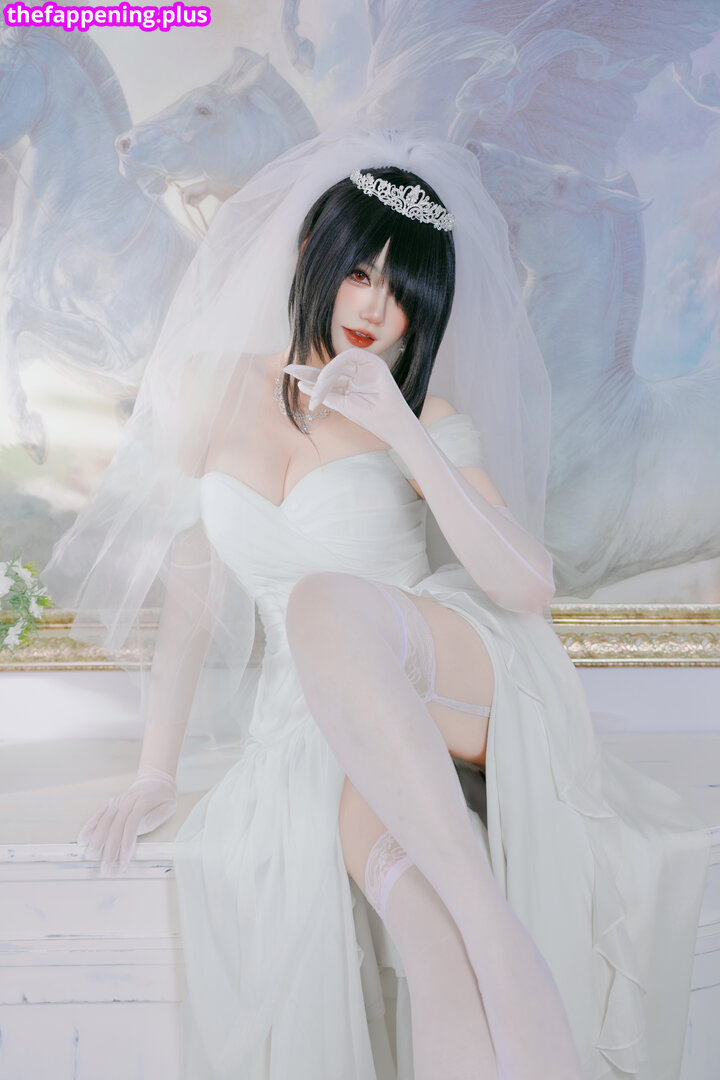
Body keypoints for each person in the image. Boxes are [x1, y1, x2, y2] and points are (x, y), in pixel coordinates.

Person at [41, 127, 711, 1080]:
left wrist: (402, 430)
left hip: (458, 671)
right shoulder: (209, 388)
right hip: (321, 725)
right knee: (429, 950)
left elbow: (527, 586)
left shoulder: (426, 416)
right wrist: (156, 771)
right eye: (360, 272)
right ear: (312, 257)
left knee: (323, 603)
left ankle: (505, 949)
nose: (375, 308)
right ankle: (495, 980)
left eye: (402, 292)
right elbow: (193, 593)